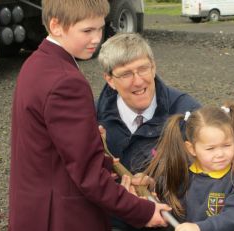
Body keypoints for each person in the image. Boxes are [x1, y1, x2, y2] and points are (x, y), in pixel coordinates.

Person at [8, 1, 171, 231]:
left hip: (33, 208)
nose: (96, 38)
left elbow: (53, 144)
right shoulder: (66, 81)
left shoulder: (36, 63)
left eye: (99, 27)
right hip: (61, 217)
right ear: (56, 26)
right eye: (87, 30)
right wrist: (143, 211)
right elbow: (87, 174)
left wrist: (95, 145)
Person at [96, 33, 200, 231]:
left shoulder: (188, 112)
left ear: (153, 67)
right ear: (110, 80)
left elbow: (211, 176)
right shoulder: (92, 118)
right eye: (126, 74)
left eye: (143, 69)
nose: (138, 81)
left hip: (172, 220)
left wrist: (157, 184)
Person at [146, 100, 234, 231]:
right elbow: (167, 201)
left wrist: (199, 227)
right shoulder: (183, 173)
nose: (220, 154)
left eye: (226, 145)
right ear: (191, 149)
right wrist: (149, 186)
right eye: (210, 148)